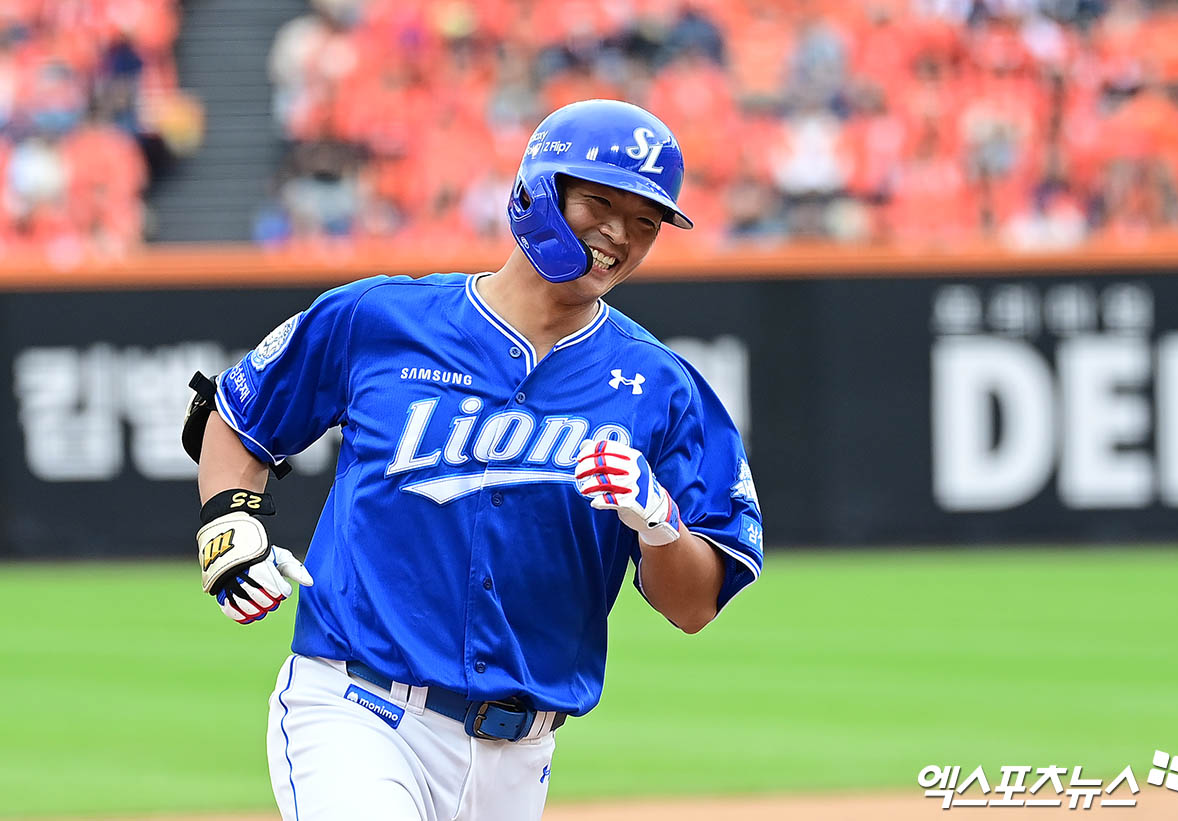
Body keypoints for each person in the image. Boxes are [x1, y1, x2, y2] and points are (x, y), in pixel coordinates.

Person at [182, 99, 764, 821]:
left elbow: (694, 606)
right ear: (538, 189)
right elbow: (238, 416)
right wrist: (229, 521)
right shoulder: (381, 320)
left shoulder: (661, 387)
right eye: (598, 201)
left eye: (645, 219)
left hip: (521, 759)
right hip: (357, 709)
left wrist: (659, 523)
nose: (619, 232)